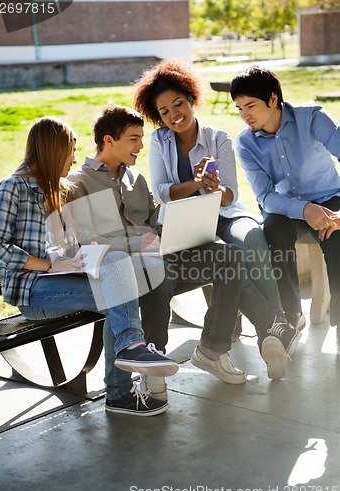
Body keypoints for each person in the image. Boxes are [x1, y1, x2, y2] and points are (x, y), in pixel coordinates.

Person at [0, 115, 179, 417]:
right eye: (71, 150)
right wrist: (49, 265)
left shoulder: (59, 190)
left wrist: (82, 258)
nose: (75, 158)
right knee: (115, 294)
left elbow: (69, 246)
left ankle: (129, 358)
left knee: (118, 269)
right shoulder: (12, 187)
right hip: (32, 291)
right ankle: (123, 380)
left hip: (64, 277)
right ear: (53, 150)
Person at [133, 59, 301, 379]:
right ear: (158, 115)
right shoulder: (159, 141)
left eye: (178, 104)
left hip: (222, 213)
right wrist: (195, 184)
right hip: (185, 223)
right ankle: (275, 330)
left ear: (191, 98)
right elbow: (162, 192)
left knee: (250, 236)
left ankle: (272, 330)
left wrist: (213, 188)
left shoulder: (218, 137)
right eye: (165, 111)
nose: (174, 114)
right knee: (228, 258)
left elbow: (231, 195)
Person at [230, 64, 340, 351]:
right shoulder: (245, 143)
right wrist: (304, 209)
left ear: (273, 99)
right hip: (285, 206)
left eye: (250, 105)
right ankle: (291, 314)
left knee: (338, 239)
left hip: (329, 196)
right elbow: (265, 196)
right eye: (239, 108)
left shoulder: (311, 118)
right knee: (272, 231)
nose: (245, 115)